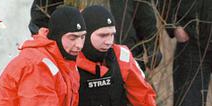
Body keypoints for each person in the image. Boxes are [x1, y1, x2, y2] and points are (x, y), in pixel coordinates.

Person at [30, 0, 162, 71]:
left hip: (123, 55)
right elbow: (40, 19)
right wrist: (53, 50)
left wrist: (153, 47)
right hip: (76, 61)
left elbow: (144, 14)